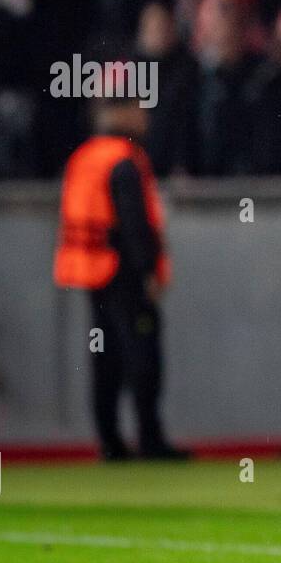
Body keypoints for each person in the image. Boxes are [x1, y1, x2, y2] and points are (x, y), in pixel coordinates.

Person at [53, 91, 187, 461]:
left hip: (89, 271)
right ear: (123, 113)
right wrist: (148, 271)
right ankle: (150, 438)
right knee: (142, 354)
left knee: (104, 357)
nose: (145, 117)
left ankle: (110, 440)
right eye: (139, 108)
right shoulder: (124, 161)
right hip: (122, 271)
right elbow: (134, 223)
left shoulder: (83, 158)